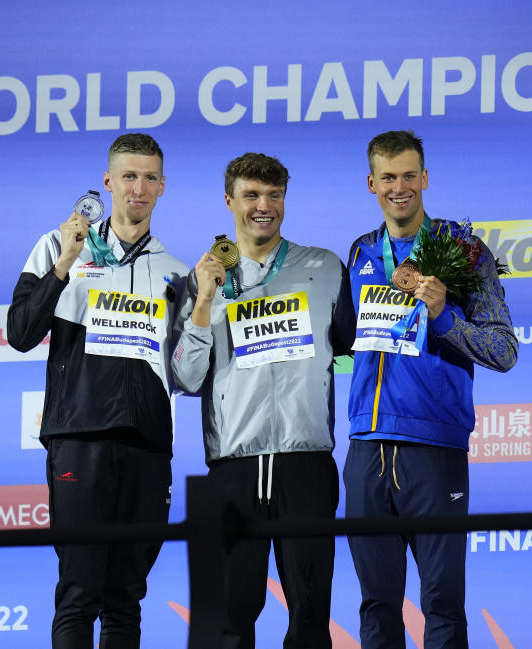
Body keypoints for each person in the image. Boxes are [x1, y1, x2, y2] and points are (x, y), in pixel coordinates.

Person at [7, 133, 188, 649]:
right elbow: (19, 332)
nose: (139, 187)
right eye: (128, 176)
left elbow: (189, 367)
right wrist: (64, 265)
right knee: (78, 595)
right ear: (108, 182)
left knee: (126, 600)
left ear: (162, 186)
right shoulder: (57, 244)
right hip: (78, 440)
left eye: (149, 177)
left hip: (147, 448)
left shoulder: (177, 272)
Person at [171, 153, 355, 649]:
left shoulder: (325, 267)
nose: (263, 206)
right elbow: (186, 379)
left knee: (312, 617)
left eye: (274, 196)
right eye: (251, 195)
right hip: (233, 469)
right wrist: (205, 302)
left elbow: (347, 349)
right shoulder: (199, 279)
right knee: (230, 623)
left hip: (307, 462)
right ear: (229, 201)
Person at [344, 130, 518, 649]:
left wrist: (443, 316)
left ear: (426, 178)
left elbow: (503, 350)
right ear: (371, 183)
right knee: (377, 606)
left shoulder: (463, 251)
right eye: (388, 177)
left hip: (434, 450)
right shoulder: (359, 252)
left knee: (441, 605)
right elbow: (343, 344)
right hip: (366, 446)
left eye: (409, 175)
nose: (400, 187)